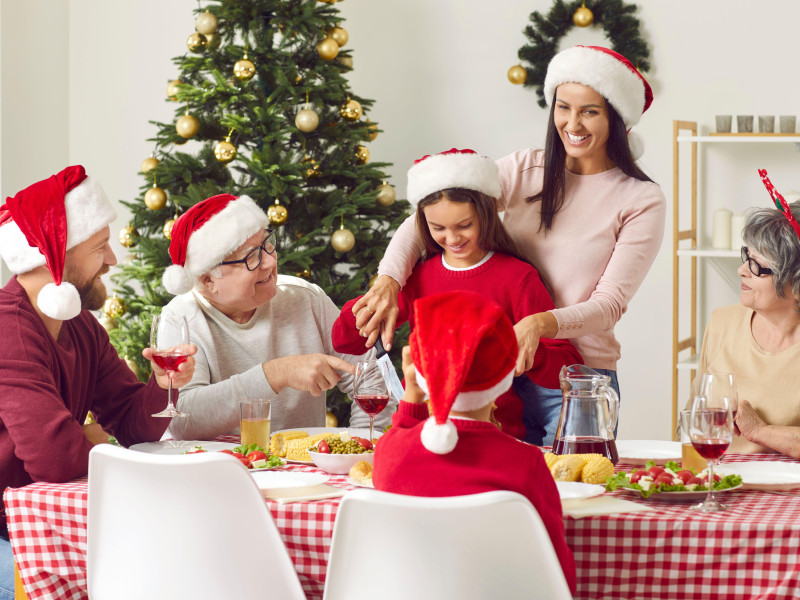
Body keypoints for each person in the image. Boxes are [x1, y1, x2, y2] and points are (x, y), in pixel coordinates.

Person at [355, 45, 666, 433]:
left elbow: (608, 305)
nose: (573, 123)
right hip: (497, 372)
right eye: (563, 107)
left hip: (576, 380)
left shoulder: (639, 198)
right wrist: (389, 279)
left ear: (618, 119)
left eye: (590, 111)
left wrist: (538, 325)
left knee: (574, 490)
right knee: (494, 486)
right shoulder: (526, 168)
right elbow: (429, 214)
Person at [0, 166, 197, 599]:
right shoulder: (8, 328)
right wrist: (89, 439)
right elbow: (55, 459)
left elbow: (130, 421)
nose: (112, 260)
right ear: (56, 253)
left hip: (48, 521)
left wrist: (163, 384)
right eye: (100, 247)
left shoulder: (82, 327)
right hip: (9, 534)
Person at [332, 148, 582, 443]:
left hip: (493, 436)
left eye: (464, 226)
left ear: (486, 214)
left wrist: (522, 350)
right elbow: (344, 340)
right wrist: (375, 296)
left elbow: (565, 366)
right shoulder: (419, 276)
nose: (452, 239)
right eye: (438, 228)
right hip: (421, 434)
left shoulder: (517, 277)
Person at [372, 291, 576, 593]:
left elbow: (400, 437)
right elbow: (556, 573)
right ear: (506, 374)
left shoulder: (392, 452)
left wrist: (413, 393)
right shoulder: (526, 463)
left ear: (421, 371)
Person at [160, 193, 392, 441]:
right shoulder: (181, 318)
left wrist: (360, 445)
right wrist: (275, 374)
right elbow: (183, 421)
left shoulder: (305, 299)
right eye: (251, 257)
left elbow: (372, 379)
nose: (270, 261)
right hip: (220, 471)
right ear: (208, 279)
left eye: (267, 244)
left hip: (305, 471)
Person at [699, 171, 800, 456]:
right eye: (746, 256)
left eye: (757, 266)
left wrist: (760, 432)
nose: (742, 270)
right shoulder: (722, 322)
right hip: (722, 485)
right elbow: (692, 421)